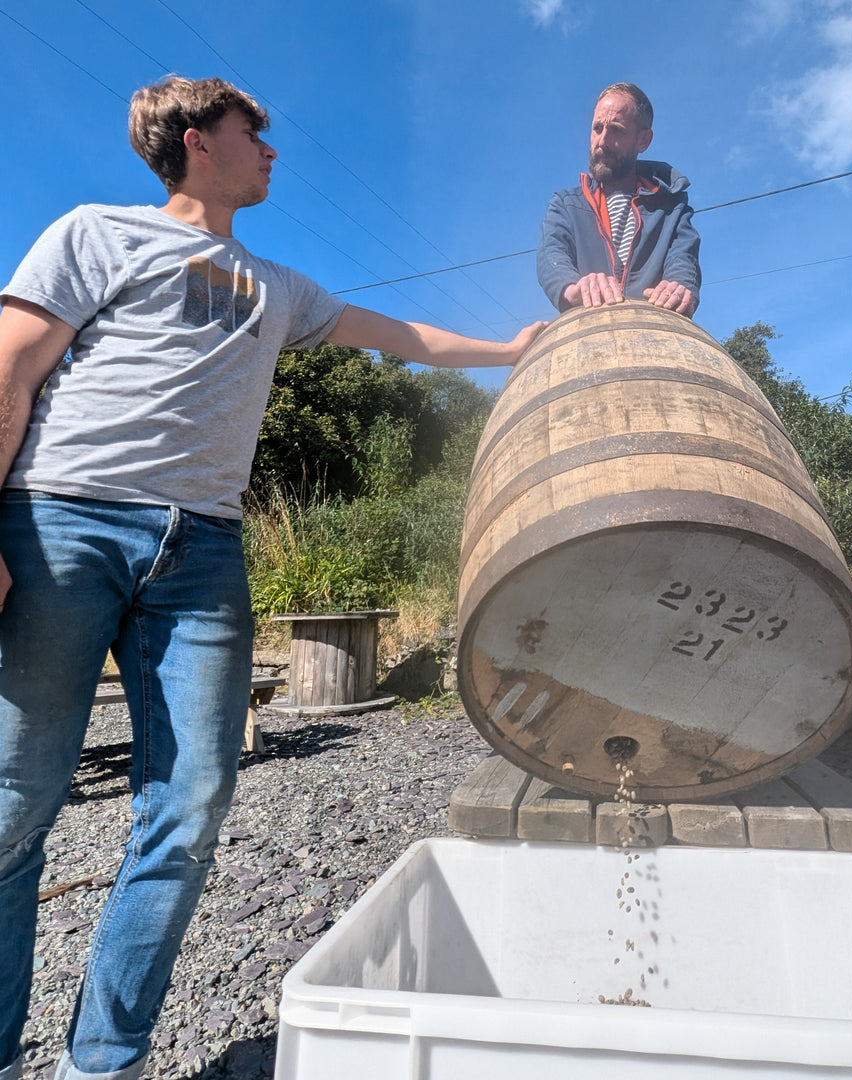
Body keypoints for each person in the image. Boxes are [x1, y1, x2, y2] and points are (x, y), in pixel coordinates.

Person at [0, 76, 544, 1080]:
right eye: (258, 132)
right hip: (64, 522)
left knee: (194, 804)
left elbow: (401, 339)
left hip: (202, 550)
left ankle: (102, 1063)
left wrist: (509, 352)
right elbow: (11, 369)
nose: (273, 150)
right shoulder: (94, 234)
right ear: (200, 138)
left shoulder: (277, 287)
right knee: (15, 806)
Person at [536, 82, 701, 317]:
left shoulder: (672, 208)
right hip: (588, 330)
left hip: (653, 330)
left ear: (643, 140)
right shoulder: (566, 204)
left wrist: (679, 287)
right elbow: (552, 253)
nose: (602, 141)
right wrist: (571, 287)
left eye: (616, 130)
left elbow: (683, 260)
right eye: (597, 128)